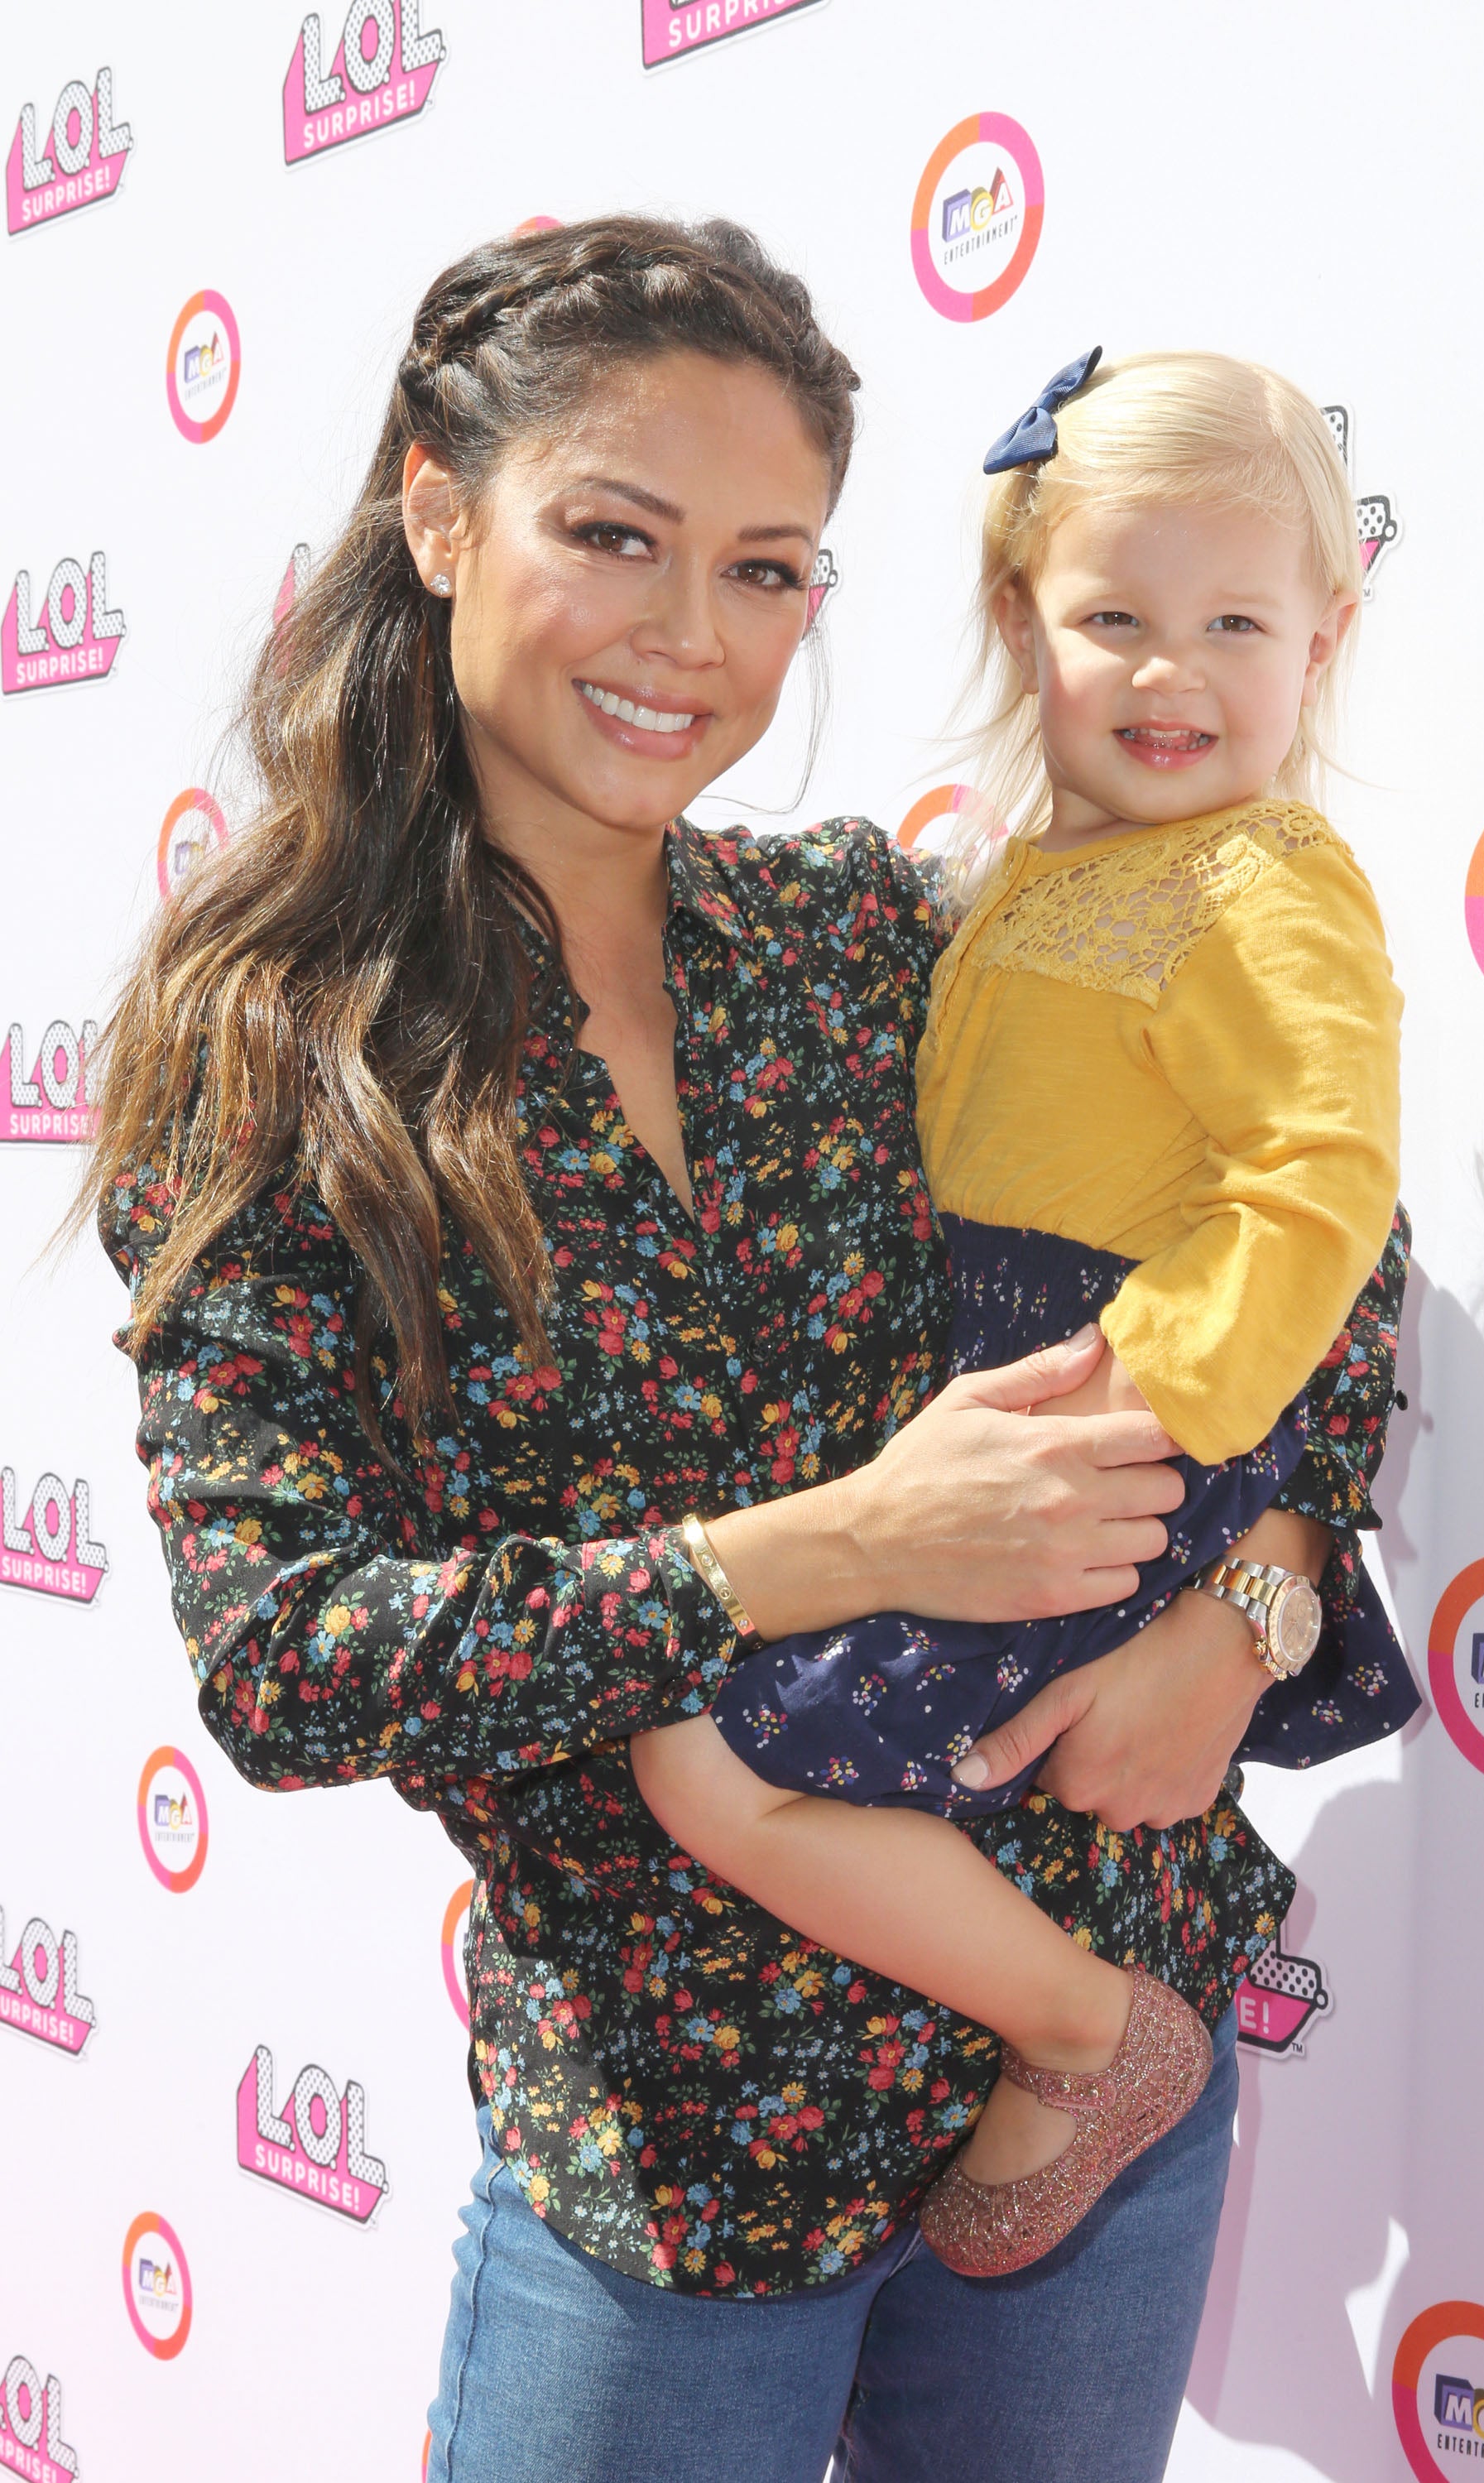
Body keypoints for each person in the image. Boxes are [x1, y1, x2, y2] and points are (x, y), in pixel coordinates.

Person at [84, 219, 1408, 2482]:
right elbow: (290, 1655)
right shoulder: (282, 1061)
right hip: (684, 2164)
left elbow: (1322, 1258)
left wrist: (1249, 1605)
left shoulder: (866, 937)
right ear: (438, 512)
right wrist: (819, 1551)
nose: (694, 636)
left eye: (769, 569)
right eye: (617, 536)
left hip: (1094, 2095)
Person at [630, 344, 1416, 2278]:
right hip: (1014, 1417)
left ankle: (1084, 2041)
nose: (1172, 672)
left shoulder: (1268, 879)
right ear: (1020, 617)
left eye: (1236, 625)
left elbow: (1324, 1180)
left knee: (706, 1758)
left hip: (1103, 1425)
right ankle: (1059, 2027)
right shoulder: (1012, 882)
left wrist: (1154, 1403)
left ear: (1323, 643)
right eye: (1115, 618)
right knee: (807, 1756)